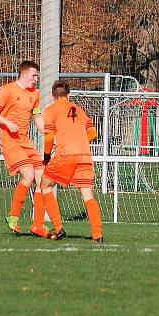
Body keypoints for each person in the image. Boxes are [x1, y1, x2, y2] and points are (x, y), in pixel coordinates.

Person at [0, 60, 47, 236]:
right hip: (10, 140)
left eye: (37, 76)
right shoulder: (8, 90)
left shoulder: (35, 94)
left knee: (43, 179)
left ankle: (38, 225)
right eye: (34, 75)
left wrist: (51, 136)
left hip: (25, 142)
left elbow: (37, 118)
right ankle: (13, 216)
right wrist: (7, 122)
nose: (36, 79)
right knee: (28, 175)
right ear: (24, 74)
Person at [40, 80, 102, 242]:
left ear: (54, 96)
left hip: (65, 155)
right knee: (88, 195)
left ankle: (58, 228)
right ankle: (97, 234)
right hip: (84, 155)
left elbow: (50, 137)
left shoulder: (50, 110)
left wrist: (46, 157)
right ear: (68, 94)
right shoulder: (79, 110)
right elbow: (94, 133)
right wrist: (79, 141)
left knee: (45, 185)